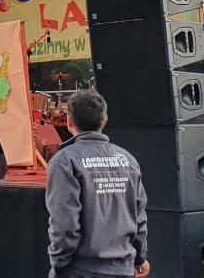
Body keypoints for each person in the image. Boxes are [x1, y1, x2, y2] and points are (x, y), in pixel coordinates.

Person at [46, 90, 150, 278]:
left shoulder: (64, 161)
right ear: (104, 121)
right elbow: (139, 217)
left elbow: (65, 223)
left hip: (80, 270)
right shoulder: (128, 159)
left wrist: (59, 264)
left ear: (69, 122)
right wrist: (139, 259)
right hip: (122, 268)